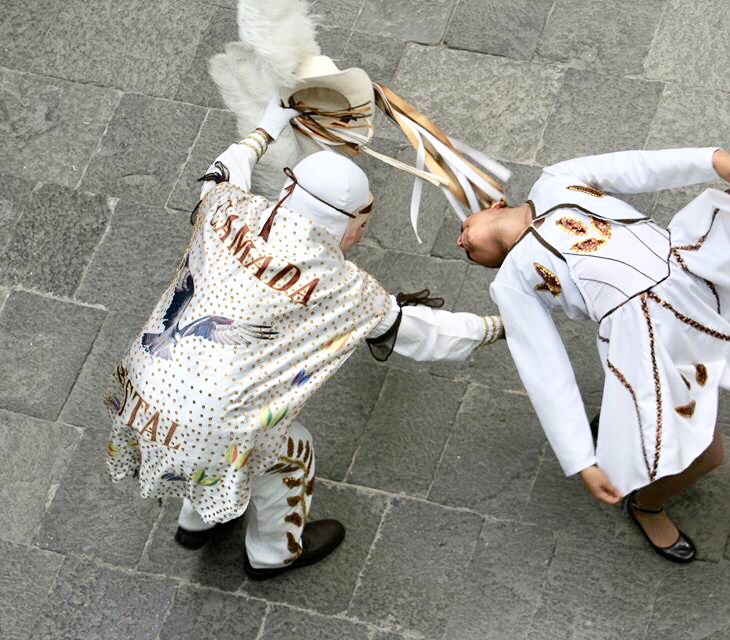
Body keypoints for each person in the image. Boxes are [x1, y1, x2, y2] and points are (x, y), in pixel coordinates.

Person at [105, 94, 504, 580]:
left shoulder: (228, 207)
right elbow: (423, 333)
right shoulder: (345, 288)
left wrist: (269, 126)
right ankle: (273, 553)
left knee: (210, 432)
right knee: (290, 453)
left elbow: (223, 170)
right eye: (362, 221)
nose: (361, 234)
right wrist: (501, 326)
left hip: (143, 387)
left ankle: (197, 521)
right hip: (215, 425)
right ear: (343, 220)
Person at [456, 147, 730, 562]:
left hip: (689, 283)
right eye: (465, 252)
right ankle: (648, 503)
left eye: (462, 228)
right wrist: (580, 459)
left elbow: (635, 166)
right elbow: (543, 366)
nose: (459, 241)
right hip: (643, 342)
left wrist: (712, 161)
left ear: (494, 205)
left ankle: (633, 446)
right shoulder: (512, 282)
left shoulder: (554, 180)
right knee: (706, 453)